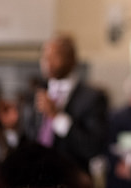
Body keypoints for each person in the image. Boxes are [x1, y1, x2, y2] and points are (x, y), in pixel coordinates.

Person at [23, 33, 109, 173]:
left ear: (72, 60)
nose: (47, 62)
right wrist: (13, 127)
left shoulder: (92, 98)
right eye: (44, 56)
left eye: (55, 56)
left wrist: (56, 116)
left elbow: (92, 147)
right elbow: (31, 137)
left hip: (71, 177)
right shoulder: (38, 92)